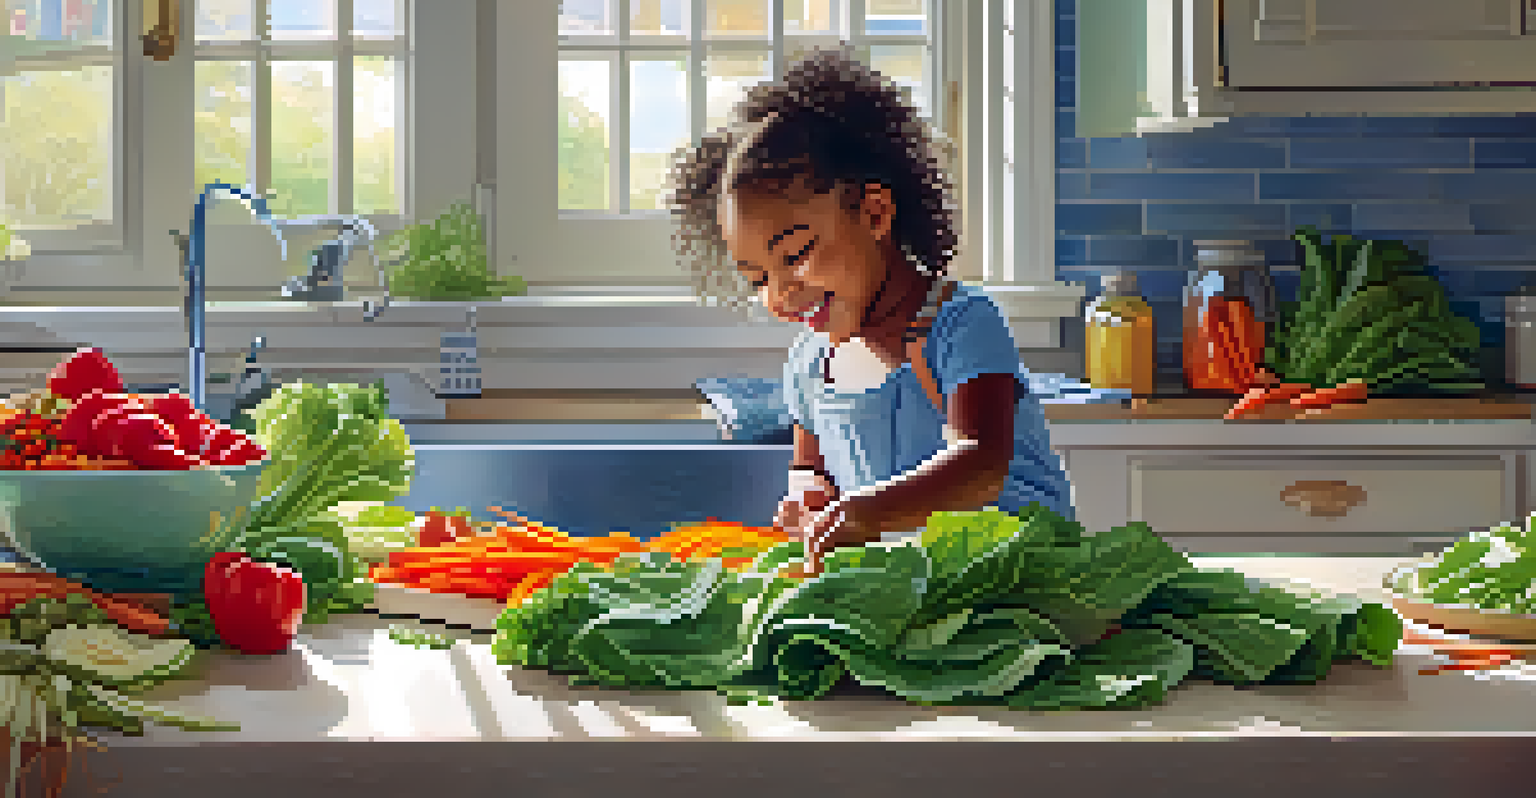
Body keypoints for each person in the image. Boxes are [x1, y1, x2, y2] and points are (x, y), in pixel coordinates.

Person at [668, 46, 1073, 574]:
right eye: (758, 278)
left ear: (875, 214)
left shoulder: (959, 323)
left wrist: (867, 513)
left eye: (795, 256)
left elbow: (981, 463)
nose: (780, 292)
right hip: (912, 585)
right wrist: (810, 499)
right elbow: (810, 468)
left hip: (1023, 576)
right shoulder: (810, 363)